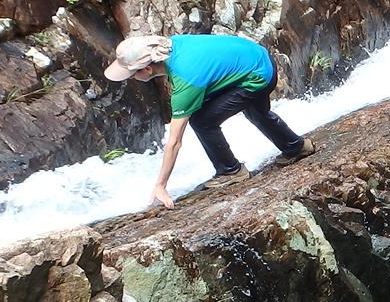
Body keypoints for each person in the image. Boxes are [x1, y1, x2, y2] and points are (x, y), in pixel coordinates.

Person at [104, 33, 317, 208]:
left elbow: (174, 142)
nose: (131, 78)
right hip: (260, 58)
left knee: (202, 121)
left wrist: (160, 185)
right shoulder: (172, 44)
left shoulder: (186, 81)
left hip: (258, 75)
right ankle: (297, 147)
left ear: (147, 69)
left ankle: (231, 171)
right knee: (255, 111)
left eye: (132, 74)